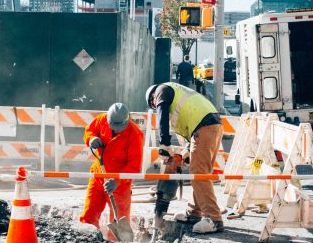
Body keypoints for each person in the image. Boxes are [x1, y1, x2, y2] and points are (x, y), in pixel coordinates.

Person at [146, 82, 224, 233]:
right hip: (211, 125)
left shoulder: (162, 90)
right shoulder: (179, 93)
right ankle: (194, 212)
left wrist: (164, 144)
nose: (157, 107)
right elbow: (191, 122)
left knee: (199, 174)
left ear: (153, 99)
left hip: (204, 127)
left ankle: (214, 219)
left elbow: (162, 114)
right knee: (199, 172)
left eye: (154, 105)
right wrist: (186, 152)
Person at [80, 102, 144, 234]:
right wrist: (91, 139)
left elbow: (134, 167)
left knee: (119, 223)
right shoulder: (101, 120)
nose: (115, 130)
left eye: (119, 127)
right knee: (89, 215)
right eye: (113, 126)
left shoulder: (135, 135)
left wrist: (116, 180)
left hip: (120, 185)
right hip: (98, 176)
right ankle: (87, 239)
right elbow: (89, 131)